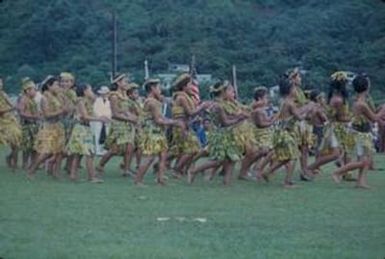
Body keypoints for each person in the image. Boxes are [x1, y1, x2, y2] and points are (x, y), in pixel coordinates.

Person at [188, 81, 247, 185]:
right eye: (230, 90)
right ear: (223, 92)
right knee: (218, 160)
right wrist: (239, 118)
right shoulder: (218, 106)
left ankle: (226, 182)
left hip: (225, 134)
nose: (233, 92)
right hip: (221, 135)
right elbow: (225, 122)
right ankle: (194, 171)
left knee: (231, 158)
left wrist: (238, 116)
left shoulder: (213, 104)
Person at [332, 75, 385, 188]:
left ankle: (360, 182)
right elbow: (374, 118)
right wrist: (383, 109)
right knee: (364, 161)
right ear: (366, 87)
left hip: (360, 133)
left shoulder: (360, 101)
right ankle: (338, 172)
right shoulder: (361, 104)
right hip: (358, 134)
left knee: (365, 159)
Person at [261, 77, 309, 188]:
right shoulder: (290, 103)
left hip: (281, 132)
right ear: (290, 90)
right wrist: (307, 111)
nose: (296, 91)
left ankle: (267, 172)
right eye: (294, 88)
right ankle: (287, 182)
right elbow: (299, 117)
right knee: (293, 156)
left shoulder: (283, 102)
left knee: (286, 157)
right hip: (285, 133)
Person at [134, 79, 184, 186]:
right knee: (150, 157)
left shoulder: (155, 101)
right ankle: (138, 180)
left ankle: (161, 179)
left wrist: (172, 121)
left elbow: (161, 118)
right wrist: (175, 122)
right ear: (152, 88)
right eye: (158, 87)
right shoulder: (152, 102)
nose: (160, 90)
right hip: (152, 133)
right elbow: (158, 120)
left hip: (158, 132)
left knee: (163, 155)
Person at [169, 73, 211, 177]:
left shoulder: (184, 96)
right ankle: (176, 169)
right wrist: (202, 106)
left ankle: (179, 168)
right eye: (189, 85)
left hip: (185, 125)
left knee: (185, 149)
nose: (192, 87)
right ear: (184, 87)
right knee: (192, 149)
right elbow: (190, 112)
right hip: (180, 127)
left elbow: (188, 116)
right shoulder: (181, 97)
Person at [97, 73, 138, 176]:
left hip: (127, 124)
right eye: (125, 81)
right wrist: (129, 119)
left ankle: (127, 169)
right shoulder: (114, 96)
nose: (127, 83)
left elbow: (129, 110)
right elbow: (114, 114)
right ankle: (100, 165)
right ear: (118, 83)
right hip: (119, 125)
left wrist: (132, 117)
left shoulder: (126, 96)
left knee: (130, 146)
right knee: (115, 149)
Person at [66, 83, 108, 183]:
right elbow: (84, 116)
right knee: (89, 153)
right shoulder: (81, 101)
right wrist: (99, 119)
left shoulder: (86, 101)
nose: (92, 92)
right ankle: (91, 176)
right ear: (85, 91)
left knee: (78, 154)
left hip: (83, 128)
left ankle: (73, 175)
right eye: (90, 90)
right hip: (82, 129)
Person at [28, 76, 67, 179]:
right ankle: (32, 170)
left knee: (59, 151)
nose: (59, 87)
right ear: (49, 86)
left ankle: (55, 172)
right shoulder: (44, 98)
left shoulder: (58, 97)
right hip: (49, 127)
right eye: (56, 85)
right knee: (46, 152)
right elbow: (47, 114)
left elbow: (65, 109)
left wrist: (65, 107)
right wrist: (61, 111)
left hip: (58, 126)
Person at [18, 78, 41, 169]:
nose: (35, 92)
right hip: (27, 126)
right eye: (33, 90)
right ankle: (25, 164)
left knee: (35, 146)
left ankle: (34, 163)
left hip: (34, 125)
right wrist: (33, 117)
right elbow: (21, 113)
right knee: (27, 147)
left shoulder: (32, 100)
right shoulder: (24, 99)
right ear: (27, 91)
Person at [0, 76, 22, 170]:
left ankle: (13, 162)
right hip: (2, 122)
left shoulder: (3, 94)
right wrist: (12, 108)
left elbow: (12, 105)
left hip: (9, 120)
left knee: (17, 139)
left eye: (1, 82)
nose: (0, 85)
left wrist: (16, 107)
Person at [92, 86, 111, 155]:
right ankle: (97, 150)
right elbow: (95, 110)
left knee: (107, 135)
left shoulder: (109, 101)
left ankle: (104, 149)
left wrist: (107, 117)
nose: (105, 95)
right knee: (97, 135)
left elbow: (110, 111)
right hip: (98, 120)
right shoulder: (97, 101)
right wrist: (101, 117)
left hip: (107, 120)